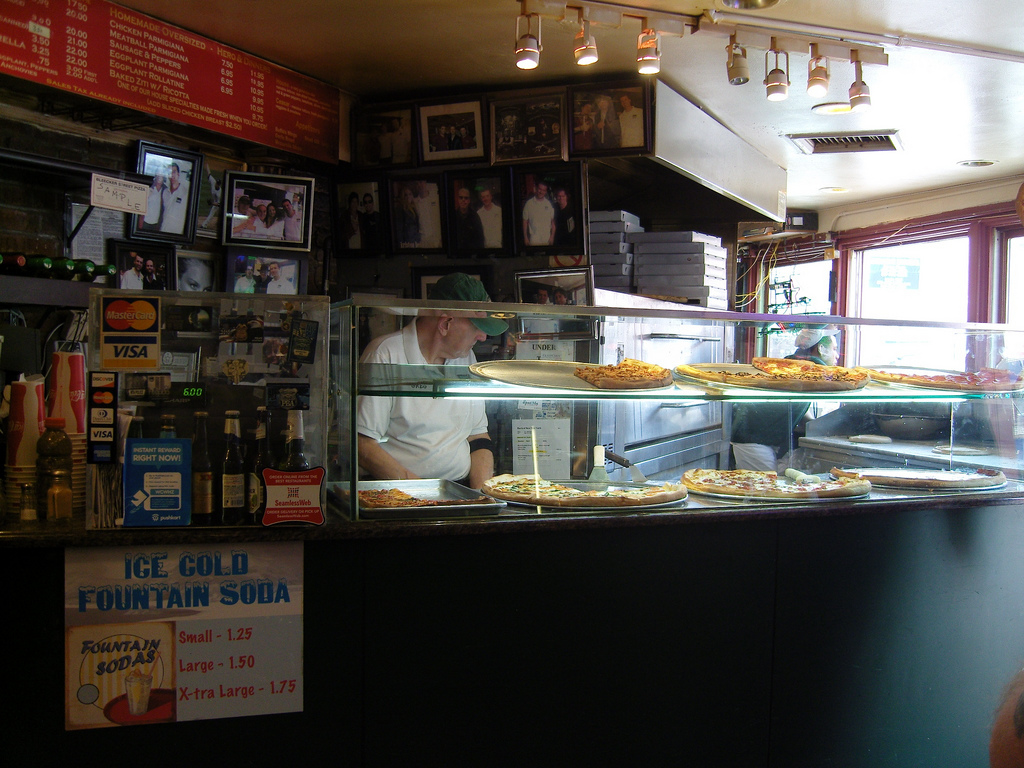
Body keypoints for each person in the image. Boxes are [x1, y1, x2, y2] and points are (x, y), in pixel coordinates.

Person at [356, 272, 508, 489]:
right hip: (397, 494)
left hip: (458, 491)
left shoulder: (466, 358)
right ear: (445, 323)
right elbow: (363, 445)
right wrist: (425, 495)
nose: (483, 336)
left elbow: (478, 437)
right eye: (476, 326)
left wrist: (481, 497)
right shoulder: (385, 354)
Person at [730, 327, 840, 470]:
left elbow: (796, 404)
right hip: (752, 438)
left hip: (754, 436)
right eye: (834, 349)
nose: (837, 355)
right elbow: (837, 382)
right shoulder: (815, 368)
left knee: (767, 485)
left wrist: (817, 426)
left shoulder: (793, 363)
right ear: (821, 348)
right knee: (763, 488)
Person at [159, 162, 190, 234]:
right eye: (169, 172)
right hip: (163, 232)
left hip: (177, 235)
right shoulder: (165, 192)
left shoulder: (185, 192)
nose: (172, 175)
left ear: (178, 174)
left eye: (174, 172)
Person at [522, 179, 555, 246]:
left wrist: (552, 237)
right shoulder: (529, 204)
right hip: (534, 240)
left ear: (545, 192)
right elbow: (525, 221)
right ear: (536, 189)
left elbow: (553, 222)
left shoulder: (548, 204)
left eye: (543, 190)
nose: (541, 192)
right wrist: (525, 237)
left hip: (547, 240)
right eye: (540, 189)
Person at [414, 179, 441, 248]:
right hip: (423, 240)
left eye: (420, 182)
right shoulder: (414, 202)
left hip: (438, 239)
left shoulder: (436, 199)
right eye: (417, 183)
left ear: (425, 183)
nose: (419, 185)